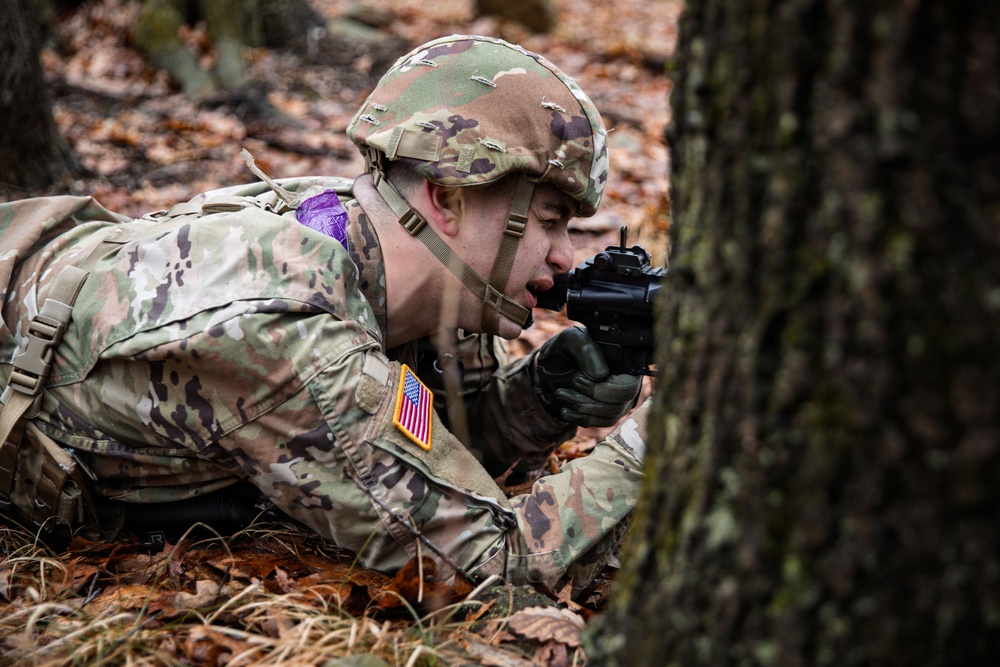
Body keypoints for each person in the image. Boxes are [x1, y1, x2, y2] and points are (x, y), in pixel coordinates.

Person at [0, 35, 650, 597]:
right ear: (448, 198)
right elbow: (486, 566)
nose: (567, 257)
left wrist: (539, 398)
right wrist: (658, 437)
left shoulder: (385, 252)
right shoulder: (294, 336)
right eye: (550, 222)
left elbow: (426, 450)